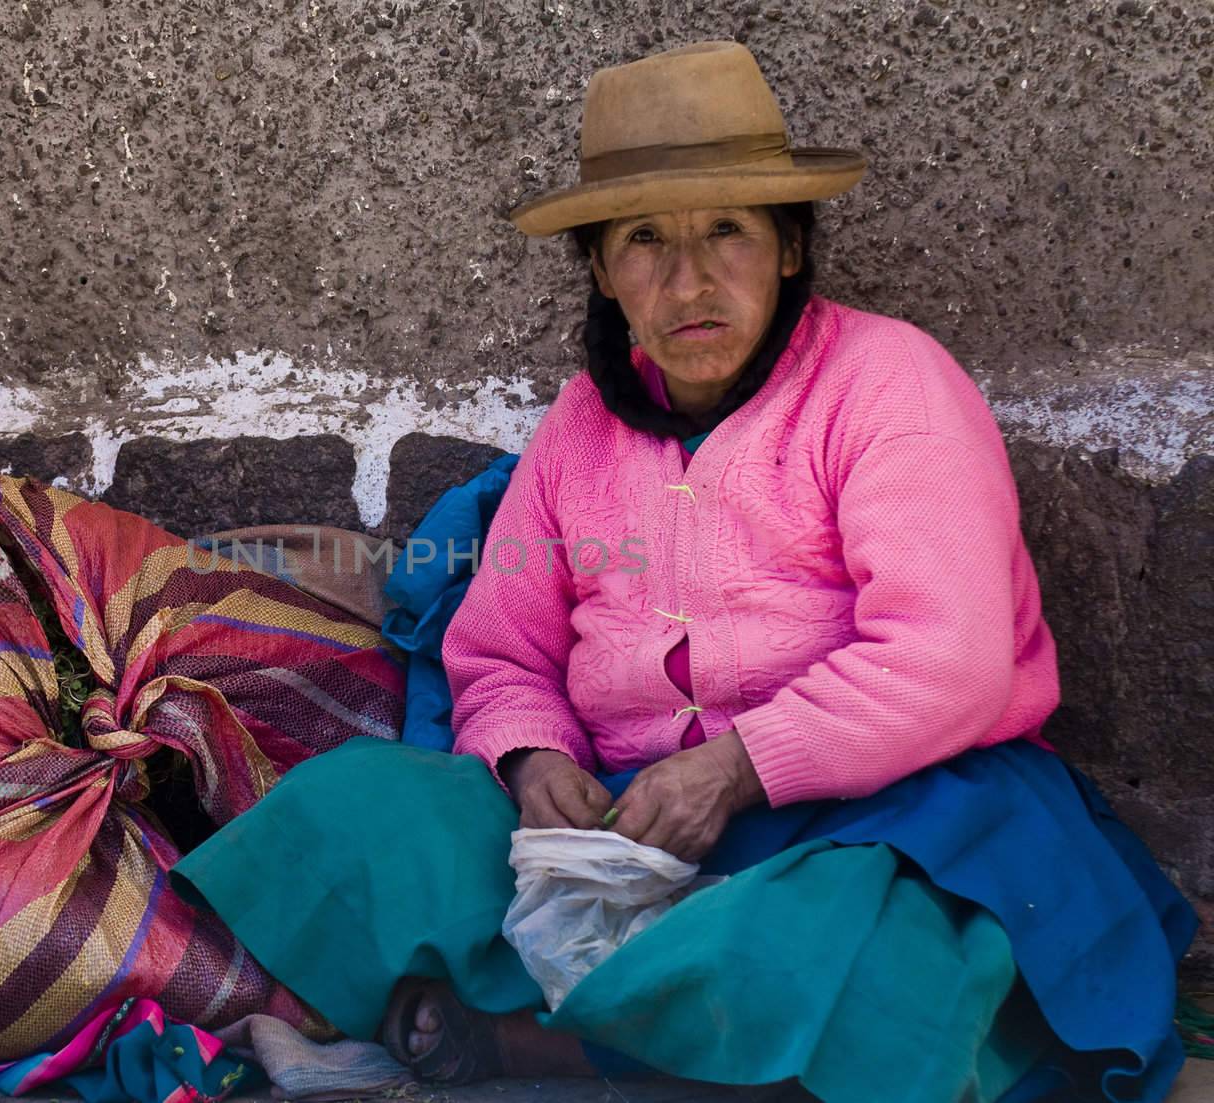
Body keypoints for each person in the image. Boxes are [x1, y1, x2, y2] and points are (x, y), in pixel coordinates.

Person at [172, 41, 1195, 1103]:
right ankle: (681, 1033)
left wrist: (735, 768)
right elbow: (498, 651)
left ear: (790, 248)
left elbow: (954, 654)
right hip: (624, 812)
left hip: (879, 812)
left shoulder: (887, 384)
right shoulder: (581, 426)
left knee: (857, 940)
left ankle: (543, 1044)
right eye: (644, 241)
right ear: (605, 273)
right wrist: (530, 763)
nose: (689, 280)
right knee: (349, 810)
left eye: (727, 233)